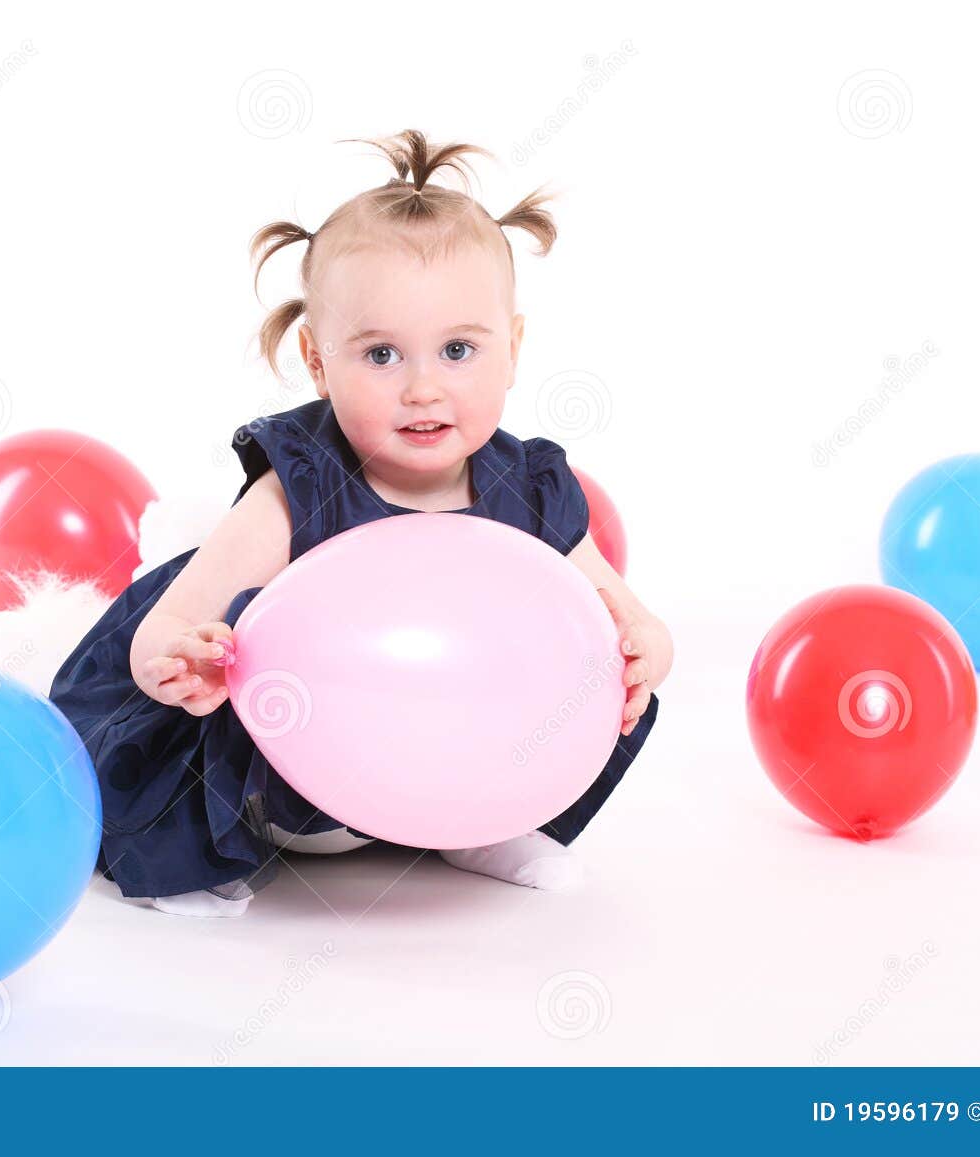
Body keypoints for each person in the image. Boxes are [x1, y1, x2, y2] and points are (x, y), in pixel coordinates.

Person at [48, 130, 673, 917]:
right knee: (230, 677)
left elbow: (622, 611)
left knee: (612, 683)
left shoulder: (532, 488)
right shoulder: (299, 485)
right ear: (316, 360)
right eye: (381, 355)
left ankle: (487, 819)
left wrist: (648, 645)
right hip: (293, 778)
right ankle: (214, 840)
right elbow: (168, 622)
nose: (421, 388)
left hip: (450, 748)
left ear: (512, 349)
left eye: (457, 350)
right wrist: (176, 660)